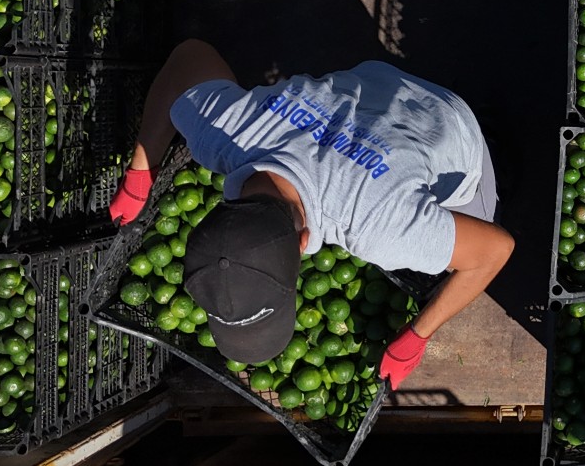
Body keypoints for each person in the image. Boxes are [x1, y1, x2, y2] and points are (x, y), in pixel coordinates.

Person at [107, 39, 514, 391]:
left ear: (304, 247)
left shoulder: (380, 227)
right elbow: (189, 58)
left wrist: (417, 334)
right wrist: (143, 165)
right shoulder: (225, 133)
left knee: (469, 232)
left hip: (453, 130)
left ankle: (494, 142)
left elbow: (494, 250)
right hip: (378, 84)